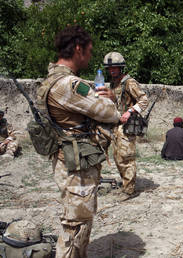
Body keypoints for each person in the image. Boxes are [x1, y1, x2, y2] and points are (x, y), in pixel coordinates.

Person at [39, 26, 120, 258]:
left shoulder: (53, 79)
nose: (90, 56)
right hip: (77, 166)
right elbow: (110, 113)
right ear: (78, 49)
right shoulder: (69, 85)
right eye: (89, 50)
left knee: (78, 220)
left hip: (71, 159)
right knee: (75, 225)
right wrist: (111, 99)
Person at [103, 51, 149, 196]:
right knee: (117, 157)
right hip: (116, 125)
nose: (112, 70)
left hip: (127, 126)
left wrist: (130, 112)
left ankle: (129, 190)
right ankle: (126, 184)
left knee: (126, 158)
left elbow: (144, 100)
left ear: (121, 68)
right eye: (110, 68)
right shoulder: (113, 84)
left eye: (115, 68)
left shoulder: (129, 83)